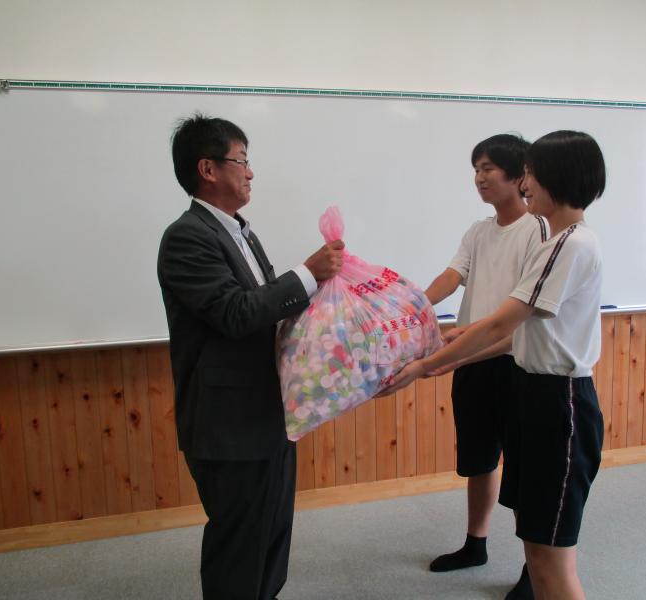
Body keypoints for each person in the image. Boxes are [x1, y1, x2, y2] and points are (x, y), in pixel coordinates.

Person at [383, 130, 606, 600]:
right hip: (533, 385)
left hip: (557, 399)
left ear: (554, 177)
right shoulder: (553, 240)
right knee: (541, 545)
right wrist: (442, 335)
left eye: (529, 174)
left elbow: (505, 323)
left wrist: (426, 365)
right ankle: (479, 545)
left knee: (551, 557)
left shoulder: (563, 243)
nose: (525, 184)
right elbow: (510, 326)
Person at [157, 114, 344, 600]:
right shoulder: (187, 236)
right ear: (208, 169)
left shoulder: (240, 231)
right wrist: (307, 273)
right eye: (241, 160)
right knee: (239, 546)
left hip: (268, 413)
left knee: (272, 534)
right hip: (229, 425)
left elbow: (263, 310)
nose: (250, 172)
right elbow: (235, 313)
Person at [423, 134, 546, 600]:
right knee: (479, 459)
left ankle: (537, 568)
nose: (479, 177)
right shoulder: (478, 231)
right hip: (471, 357)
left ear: (519, 176)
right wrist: (413, 304)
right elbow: (451, 276)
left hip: (516, 361)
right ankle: (475, 544)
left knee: (524, 470)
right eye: (476, 168)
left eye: (489, 168)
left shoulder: (539, 231)